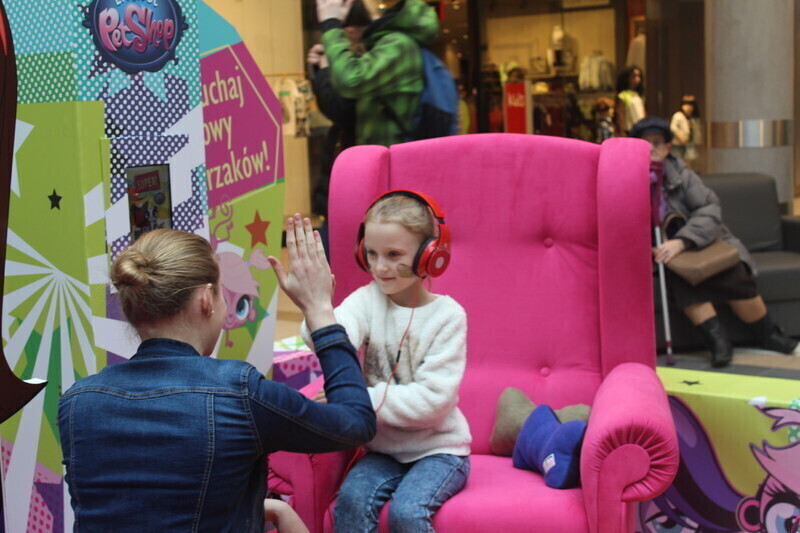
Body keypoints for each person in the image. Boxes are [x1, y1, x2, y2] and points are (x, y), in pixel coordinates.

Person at [57, 219, 376, 532]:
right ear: (206, 300)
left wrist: (270, 507)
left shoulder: (76, 402)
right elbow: (356, 422)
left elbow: (145, 507)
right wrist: (320, 310)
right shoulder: (239, 393)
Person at [301, 191, 471, 532]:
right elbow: (330, 338)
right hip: (382, 451)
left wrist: (362, 398)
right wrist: (316, 306)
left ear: (430, 256)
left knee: (407, 512)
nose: (380, 266)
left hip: (439, 451)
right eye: (372, 253)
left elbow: (433, 402)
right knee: (350, 501)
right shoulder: (367, 300)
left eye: (394, 255)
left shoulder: (448, 316)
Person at [631, 117, 798, 367]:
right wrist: (650, 248)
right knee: (678, 276)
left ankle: (769, 335)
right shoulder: (626, 179)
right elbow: (621, 223)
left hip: (699, 244)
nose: (652, 149)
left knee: (733, 271)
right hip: (661, 254)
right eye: (644, 144)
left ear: (667, 148)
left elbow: (709, 208)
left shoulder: (681, 175)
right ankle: (718, 341)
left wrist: (683, 241)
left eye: (657, 143)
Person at [315, 0, 439, 146]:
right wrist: (323, 70)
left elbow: (350, 80)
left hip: (394, 161)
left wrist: (331, 25)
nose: (348, 29)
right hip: (380, 159)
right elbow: (343, 111)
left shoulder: (399, 45)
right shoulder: (380, 47)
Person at [669, 94, 701, 164]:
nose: (688, 108)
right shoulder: (678, 116)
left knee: (689, 160)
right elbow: (673, 128)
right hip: (678, 144)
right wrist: (681, 137)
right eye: (686, 105)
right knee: (678, 160)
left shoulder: (693, 118)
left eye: (690, 105)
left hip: (689, 143)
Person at [615, 66, 645, 136]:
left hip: (641, 129)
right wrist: (622, 132)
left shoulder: (638, 96)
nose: (637, 79)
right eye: (634, 76)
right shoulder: (623, 95)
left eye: (639, 76)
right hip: (630, 130)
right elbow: (620, 114)